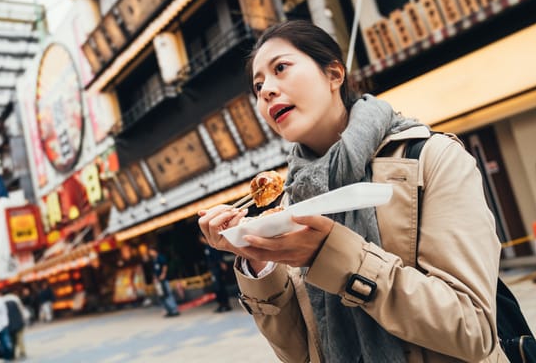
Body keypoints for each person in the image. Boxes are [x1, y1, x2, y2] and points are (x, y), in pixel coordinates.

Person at [198, 20, 507, 362]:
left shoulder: (432, 159)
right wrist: (257, 262)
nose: (267, 90)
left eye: (281, 68)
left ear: (334, 74)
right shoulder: (290, 202)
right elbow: (301, 353)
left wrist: (330, 256)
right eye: (258, 86)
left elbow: (473, 331)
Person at [199, 235, 232, 313]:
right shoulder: (206, 247)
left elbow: (218, 257)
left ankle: (225, 304)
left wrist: (222, 264)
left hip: (217, 270)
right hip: (213, 270)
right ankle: (221, 305)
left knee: (220, 287)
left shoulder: (211, 246)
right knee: (217, 288)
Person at [148, 247, 180, 317]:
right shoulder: (154, 260)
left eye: (151, 251)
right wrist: (154, 278)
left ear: (154, 251)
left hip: (163, 280)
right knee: (162, 296)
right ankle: (168, 310)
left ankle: (174, 310)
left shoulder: (160, 257)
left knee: (168, 294)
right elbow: (154, 271)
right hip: (158, 281)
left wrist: (163, 274)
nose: (150, 253)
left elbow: (165, 266)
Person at [2, 291, 28, 360]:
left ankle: (12, 354)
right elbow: (21, 309)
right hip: (19, 321)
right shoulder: (15, 298)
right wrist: (24, 319)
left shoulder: (2, 300)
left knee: (12, 339)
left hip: (9, 324)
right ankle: (22, 352)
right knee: (20, 338)